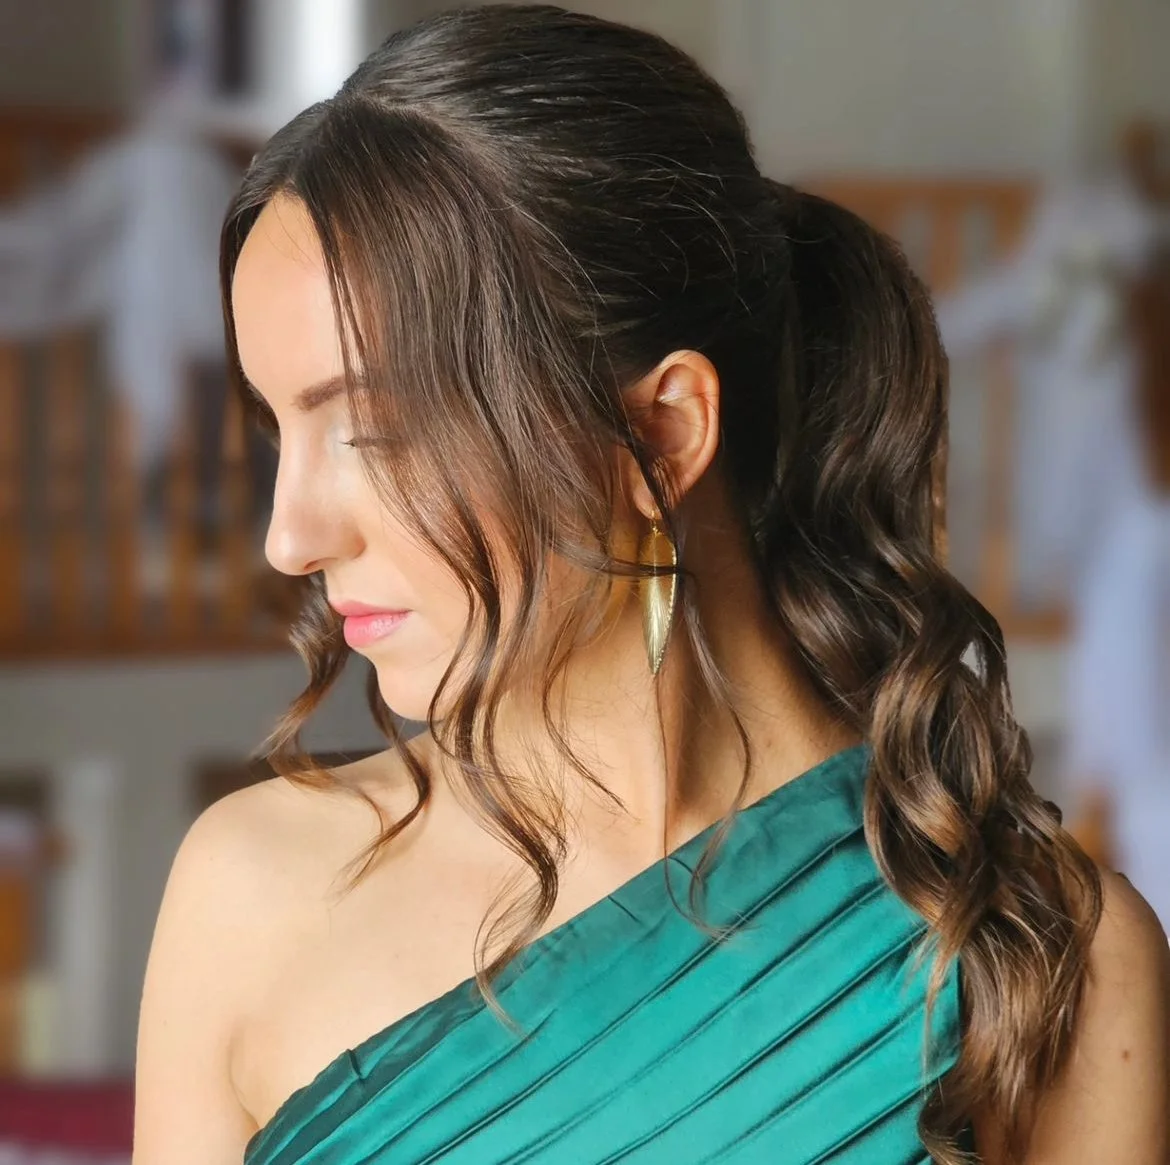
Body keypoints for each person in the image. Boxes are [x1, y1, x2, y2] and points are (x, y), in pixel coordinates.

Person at [132, 7, 1170, 1163]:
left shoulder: (1043, 954)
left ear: (666, 431)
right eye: (282, 435)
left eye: (370, 432)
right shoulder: (251, 895)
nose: (289, 539)